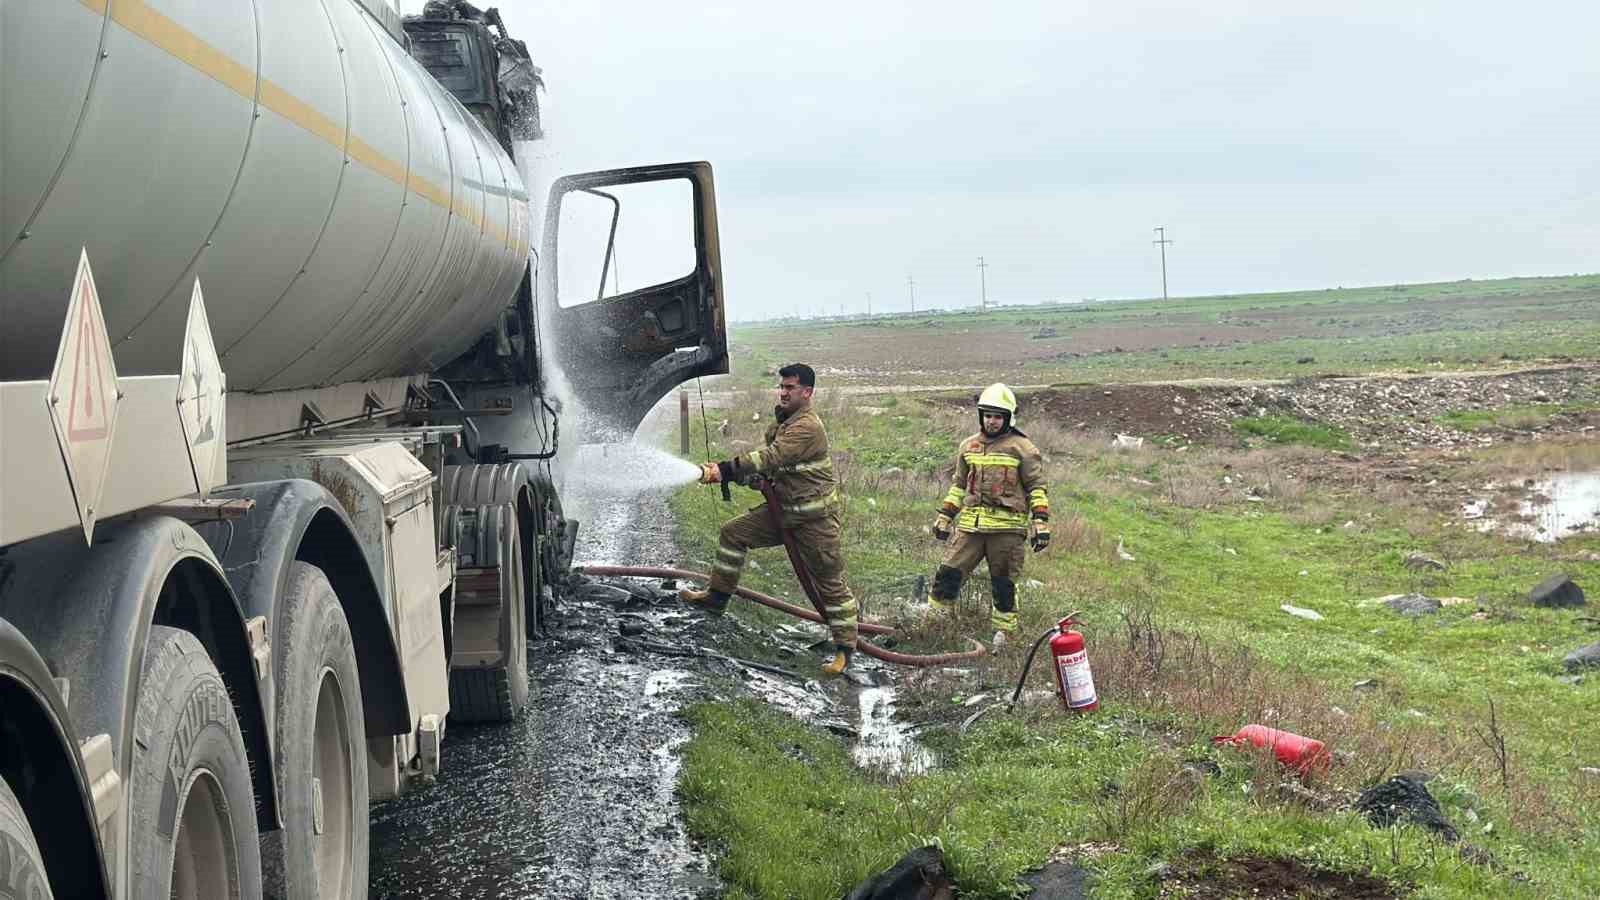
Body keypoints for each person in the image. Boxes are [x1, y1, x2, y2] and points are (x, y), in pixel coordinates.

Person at [680, 364, 860, 674]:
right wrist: (736, 477)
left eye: (790, 387)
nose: (783, 392)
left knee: (829, 583)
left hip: (814, 522)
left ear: (807, 392)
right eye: (782, 387)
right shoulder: (783, 425)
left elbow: (769, 458)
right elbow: (768, 473)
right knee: (733, 534)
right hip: (782, 513)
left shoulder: (807, 427)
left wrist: (724, 469)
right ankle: (717, 597)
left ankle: (845, 651)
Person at [926, 383, 1050, 648]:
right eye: (987, 415)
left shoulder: (1024, 449)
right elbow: (959, 485)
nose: (992, 422)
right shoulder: (968, 446)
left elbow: (1036, 488)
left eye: (997, 416)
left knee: (1003, 584)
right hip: (971, 527)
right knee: (948, 573)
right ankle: (936, 621)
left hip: (1007, 530)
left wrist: (1040, 522)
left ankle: (1004, 635)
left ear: (1008, 418)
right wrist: (945, 516)